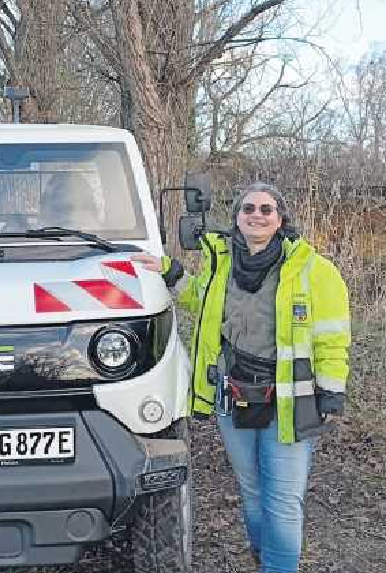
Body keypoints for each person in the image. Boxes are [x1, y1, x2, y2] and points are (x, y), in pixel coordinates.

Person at [132, 182, 351, 573]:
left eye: (267, 209)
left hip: (288, 399)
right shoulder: (222, 262)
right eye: (248, 208)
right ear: (236, 218)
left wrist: (331, 393)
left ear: (281, 219)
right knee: (251, 490)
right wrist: (170, 271)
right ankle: (262, 556)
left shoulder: (315, 271)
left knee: (283, 498)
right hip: (231, 396)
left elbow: (333, 337)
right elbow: (203, 298)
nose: (257, 215)